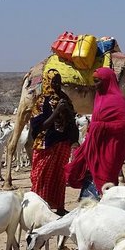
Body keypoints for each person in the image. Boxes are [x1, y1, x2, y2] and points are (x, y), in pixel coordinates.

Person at [65, 67, 125, 199]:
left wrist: (100, 126)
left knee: (106, 179)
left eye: (98, 81)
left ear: (107, 81)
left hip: (111, 149)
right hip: (95, 147)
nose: (95, 85)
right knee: (89, 176)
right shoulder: (99, 99)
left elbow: (123, 125)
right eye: (94, 81)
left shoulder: (118, 101)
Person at [29, 69, 78, 215]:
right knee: (41, 176)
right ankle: (39, 208)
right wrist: (57, 111)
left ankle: (60, 207)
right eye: (54, 81)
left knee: (59, 176)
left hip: (62, 142)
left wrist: (67, 110)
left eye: (58, 81)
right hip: (46, 143)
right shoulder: (41, 101)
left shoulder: (64, 98)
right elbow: (38, 127)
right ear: (47, 82)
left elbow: (72, 119)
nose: (57, 84)